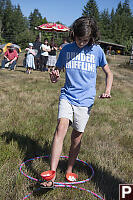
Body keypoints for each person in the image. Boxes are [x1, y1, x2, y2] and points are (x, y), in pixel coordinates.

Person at [41, 16, 113, 187]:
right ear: (73, 34)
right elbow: (56, 74)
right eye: (79, 39)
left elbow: (109, 73)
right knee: (60, 128)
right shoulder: (66, 49)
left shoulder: (97, 51)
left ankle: (69, 169)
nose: (81, 43)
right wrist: (54, 76)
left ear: (91, 37)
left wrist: (107, 90)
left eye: (85, 40)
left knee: (76, 137)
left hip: (85, 100)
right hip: (67, 96)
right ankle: (51, 175)